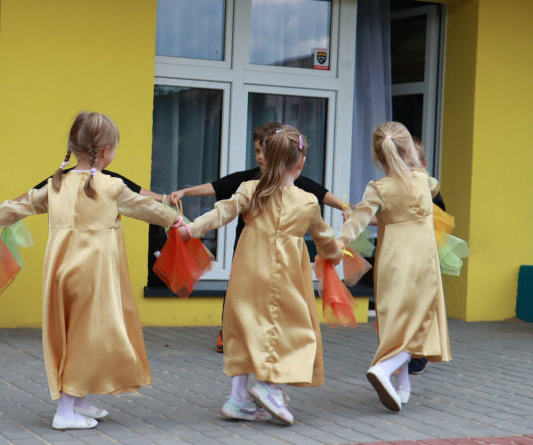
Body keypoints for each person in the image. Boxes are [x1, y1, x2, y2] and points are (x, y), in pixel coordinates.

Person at [0, 112, 188, 430]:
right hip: (93, 274)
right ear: (106, 150)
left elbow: (20, 206)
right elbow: (146, 207)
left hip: (60, 272)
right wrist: (175, 219)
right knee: (86, 335)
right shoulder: (111, 186)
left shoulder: (57, 183)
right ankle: (66, 410)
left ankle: (80, 399)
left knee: (72, 332)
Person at [187, 125, 341, 426]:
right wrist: (336, 254)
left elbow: (223, 211)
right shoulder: (307, 200)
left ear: (266, 158)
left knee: (246, 326)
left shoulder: (250, 189)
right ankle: (270, 386)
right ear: (301, 162)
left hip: (247, 271)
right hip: (284, 275)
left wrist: (193, 229)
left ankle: (238, 399)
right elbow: (325, 238)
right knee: (289, 327)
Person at [167, 122, 351, 354]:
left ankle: (243, 378)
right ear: (299, 162)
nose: (260, 157)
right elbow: (217, 189)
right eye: (257, 151)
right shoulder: (252, 184)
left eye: (264, 151)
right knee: (248, 305)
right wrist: (336, 252)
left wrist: (343, 206)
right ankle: (241, 345)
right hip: (256, 255)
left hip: (266, 260)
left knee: (256, 307)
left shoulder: (281, 190)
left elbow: (322, 194)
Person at [337, 122, 451, 412]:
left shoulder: (379, 188)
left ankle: (403, 387)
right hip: (421, 263)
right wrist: (412, 164)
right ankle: (384, 369)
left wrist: (337, 244)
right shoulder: (425, 180)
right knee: (421, 322)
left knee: (396, 321)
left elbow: (359, 220)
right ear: (410, 151)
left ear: (378, 158)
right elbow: (434, 186)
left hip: (390, 264)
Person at [405, 136, 443, 376]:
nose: (407, 170)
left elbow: (440, 219)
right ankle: (403, 350)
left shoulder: (430, 188)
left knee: (422, 304)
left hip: (423, 253)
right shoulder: (393, 188)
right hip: (399, 253)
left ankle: (419, 355)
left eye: (412, 165)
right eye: (402, 164)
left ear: (424, 164)